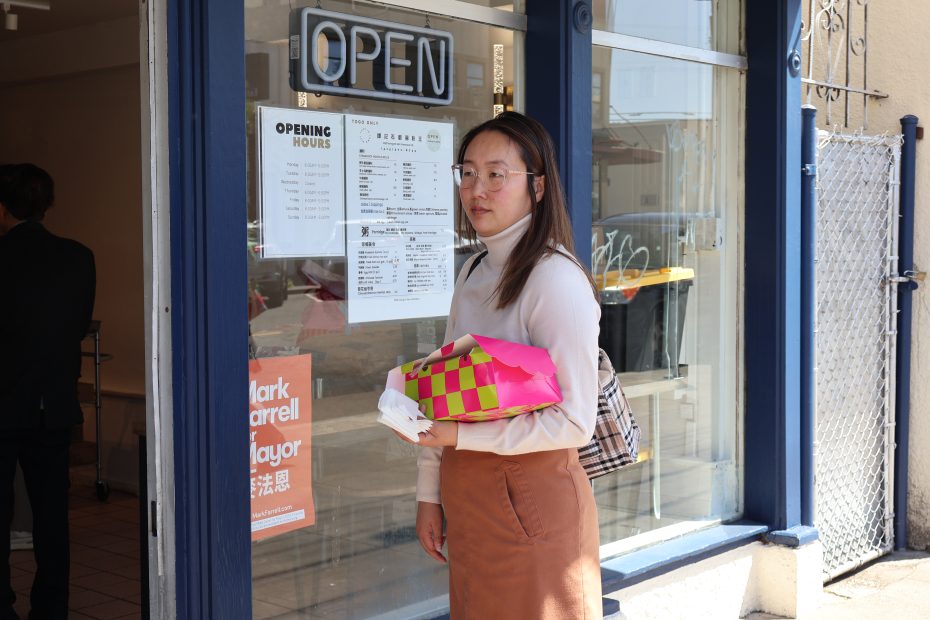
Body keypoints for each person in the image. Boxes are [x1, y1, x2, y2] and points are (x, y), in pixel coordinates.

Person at [396, 113, 603, 618]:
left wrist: (461, 439)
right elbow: (438, 390)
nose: (476, 189)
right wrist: (430, 494)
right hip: (469, 496)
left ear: (537, 187)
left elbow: (576, 420)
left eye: (495, 174)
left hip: (530, 501)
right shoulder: (473, 269)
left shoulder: (554, 279)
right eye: (467, 173)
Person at [0, 164, 96, 620]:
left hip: (2, 403)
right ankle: (51, 607)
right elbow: (78, 327)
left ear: (2, 209)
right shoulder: (79, 257)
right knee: (52, 516)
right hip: (54, 403)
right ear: (47, 205)